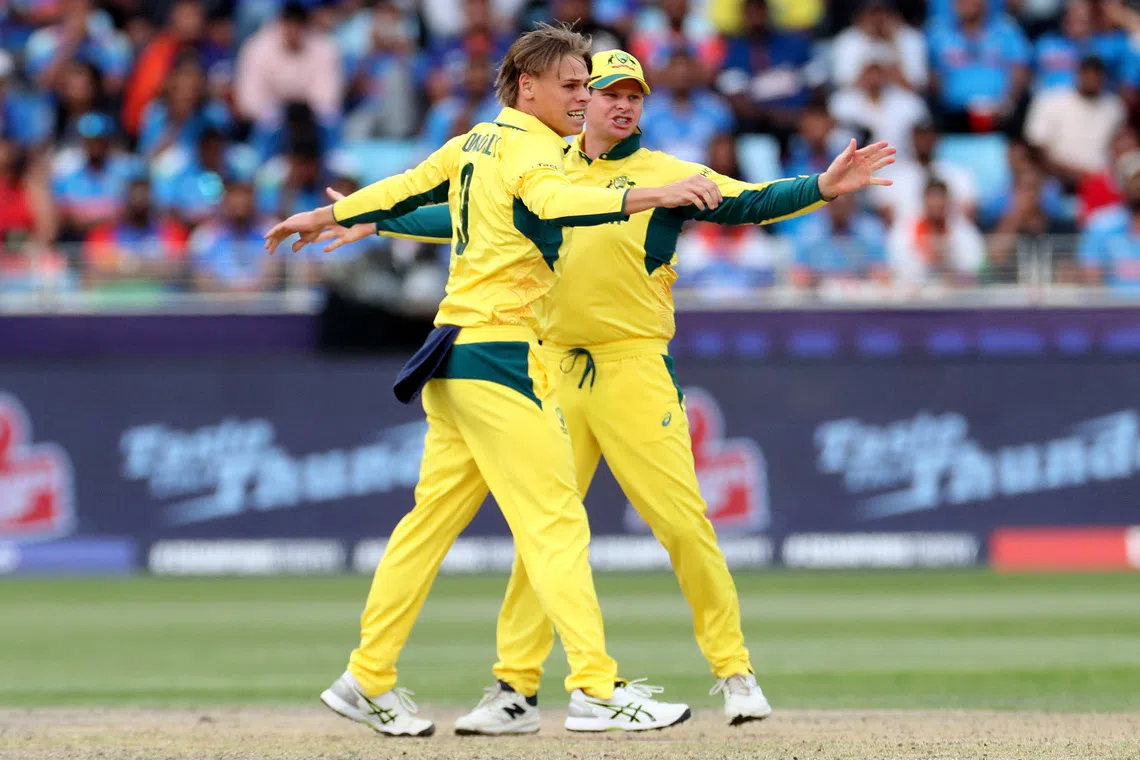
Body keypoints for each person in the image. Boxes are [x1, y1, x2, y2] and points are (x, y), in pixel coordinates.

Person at [316, 48, 895, 734]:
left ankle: (733, 671)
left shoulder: (670, 174)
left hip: (632, 369)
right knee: (545, 531)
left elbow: (749, 202)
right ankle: (514, 689)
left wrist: (821, 188)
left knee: (681, 524)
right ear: (581, 98)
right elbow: (473, 216)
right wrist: (384, 220)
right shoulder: (543, 162)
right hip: (549, 364)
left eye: (634, 95)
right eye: (607, 91)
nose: (622, 104)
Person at [264, 24, 724, 738]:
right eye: (572, 85)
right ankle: (597, 690)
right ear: (528, 85)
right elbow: (558, 205)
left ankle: (367, 678)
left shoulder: (479, 140)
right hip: (505, 356)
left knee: (427, 527)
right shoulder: (538, 153)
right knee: (557, 521)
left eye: (587, 86)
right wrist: (651, 196)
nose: (585, 97)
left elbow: (410, 187)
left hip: (451, 354)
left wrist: (335, 213)